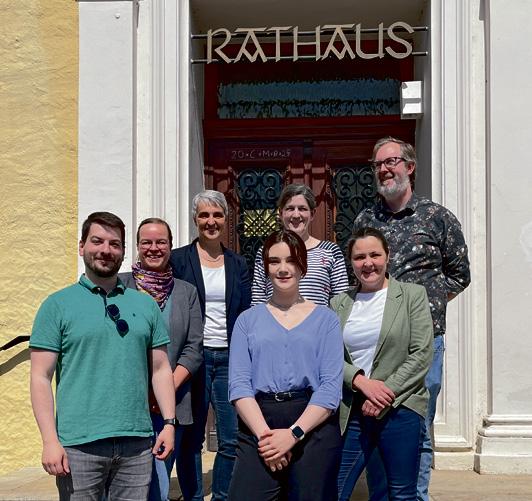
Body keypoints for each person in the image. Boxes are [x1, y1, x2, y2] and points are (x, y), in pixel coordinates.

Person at [353, 137, 471, 501]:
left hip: (424, 342)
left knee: (416, 427)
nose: (384, 169)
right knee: (375, 423)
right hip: (378, 343)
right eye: (378, 164)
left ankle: (415, 497)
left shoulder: (437, 217)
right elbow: (358, 273)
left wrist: (423, 307)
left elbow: (459, 275)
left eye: (391, 161)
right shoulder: (366, 219)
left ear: (410, 166)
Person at [29, 211, 176, 500]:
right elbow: (40, 377)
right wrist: (49, 441)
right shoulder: (56, 305)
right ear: (81, 246)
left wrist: (169, 424)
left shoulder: (145, 305)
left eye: (114, 244)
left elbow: (161, 369)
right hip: (78, 446)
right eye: (97, 241)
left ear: (123, 251)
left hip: (136, 443)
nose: (106, 250)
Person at [228, 229, 344, 501]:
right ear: (265, 267)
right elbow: (239, 385)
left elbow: (330, 388)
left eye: (291, 260)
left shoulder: (326, 320)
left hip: (312, 423)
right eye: (274, 261)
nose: (282, 268)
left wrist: (293, 434)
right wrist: (268, 441)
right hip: (259, 423)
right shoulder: (247, 321)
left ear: (302, 265)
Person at [331, 227, 433, 500]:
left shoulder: (412, 295)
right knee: (334, 490)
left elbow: (421, 353)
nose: (368, 263)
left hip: (400, 407)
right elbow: (328, 357)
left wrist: (383, 393)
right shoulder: (339, 303)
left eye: (374, 255)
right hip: (353, 411)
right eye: (359, 257)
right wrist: (360, 382)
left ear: (387, 256)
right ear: (351, 262)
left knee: (400, 494)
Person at [169, 190, 251, 501]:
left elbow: (244, 311)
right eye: (204, 215)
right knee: (191, 438)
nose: (211, 221)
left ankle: (221, 496)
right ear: (195, 219)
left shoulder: (238, 263)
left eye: (217, 215)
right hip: (194, 358)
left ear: (226, 219)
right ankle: (192, 496)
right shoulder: (179, 260)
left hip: (230, 358)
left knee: (231, 438)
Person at [119, 217, 203, 501]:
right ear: (137, 246)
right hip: (126, 403)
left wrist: (164, 388)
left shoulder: (186, 292)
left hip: (170, 403)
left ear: (170, 246)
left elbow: (194, 347)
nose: (154, 248)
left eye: (161, 242)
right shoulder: (119, 287)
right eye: (147, 242)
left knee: (159, 484)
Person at [252, 184, 348, 306]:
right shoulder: (267, 251)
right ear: (281, 213)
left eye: (302, 209)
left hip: (319, 319)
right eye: (290, 209)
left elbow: (341, 304)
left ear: (312, 214)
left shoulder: (330, 251)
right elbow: (258, 301)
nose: (296, 215)